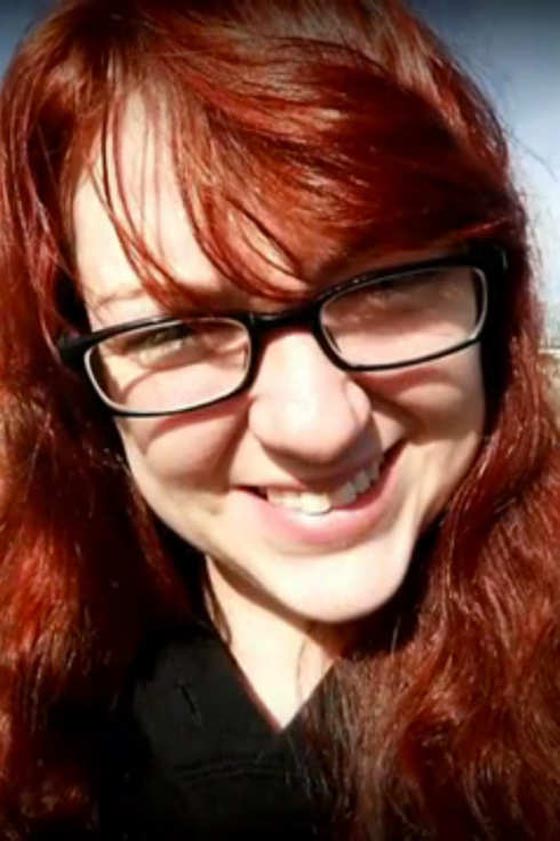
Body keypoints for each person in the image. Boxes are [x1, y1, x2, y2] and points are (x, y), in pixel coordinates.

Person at [0, 0, 559, 838]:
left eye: (387, 285)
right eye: (176, 330)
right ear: (76, 381)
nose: (316, 426)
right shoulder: (33, 725)